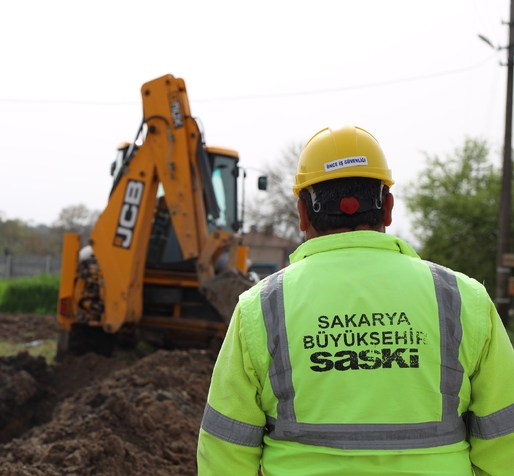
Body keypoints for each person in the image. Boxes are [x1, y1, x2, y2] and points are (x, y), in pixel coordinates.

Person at [197, 125, 514, 475]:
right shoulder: (464, 300)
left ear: (303, 212)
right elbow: (505, 443)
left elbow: (225, 451)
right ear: (388, 207)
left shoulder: (260, 308)